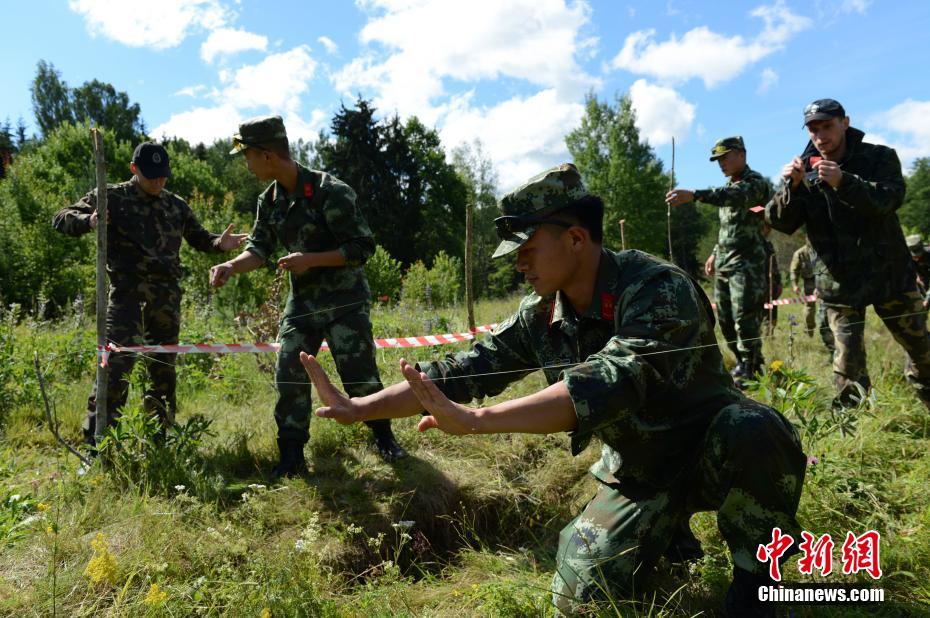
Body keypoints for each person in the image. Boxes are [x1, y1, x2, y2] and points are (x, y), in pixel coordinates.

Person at [301, 164, 806, 616]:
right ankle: (668, 535)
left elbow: (609, 382)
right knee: (580, 598)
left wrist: (478, 422)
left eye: (527, 250)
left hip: (711, 453)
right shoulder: (541, 311)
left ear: (577, 239)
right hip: (639, 471)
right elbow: (461, 370)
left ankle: (755, 579)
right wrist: (360, 408)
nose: (519, 264)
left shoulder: (657, 288)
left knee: (753, 428)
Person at [209, 115, 405, 477]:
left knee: (359, 373)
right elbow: (259, 249)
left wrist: (310, 260)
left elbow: (362, 246)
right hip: (302, 305)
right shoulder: (268, 200)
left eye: (247, 156)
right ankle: (292, 457)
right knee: (289, 373)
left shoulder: (331, 191)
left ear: (267, 155)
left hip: (345, 301)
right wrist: (232, 267)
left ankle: (384, 438)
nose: (246, 164)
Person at [52, 142, 247, 446]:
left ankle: (158, 441)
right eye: (151, 176)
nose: (159, 181)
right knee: (114, 370)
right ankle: (98, 445)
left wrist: (220, 245)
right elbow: (61, 218)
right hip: (127, 300)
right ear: (134, 170)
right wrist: (89, 221)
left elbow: (200, 238)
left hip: (166, 301)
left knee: (163, 372)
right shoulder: (111, 196)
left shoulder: (176, 205)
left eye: (163, 176)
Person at [767, 98, 930, 409]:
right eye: (813, 129)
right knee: (846, 370)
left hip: (890, 277)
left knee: (922, 350)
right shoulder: (804, 173)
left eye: (827, 126)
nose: (820, 135)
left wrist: (845, 182)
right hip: (839, 287)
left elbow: (889, 199)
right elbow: (779, 222)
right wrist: (792, 187)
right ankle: (852, 440)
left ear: (845, 122)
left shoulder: (878, 158)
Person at [667, 136, 773, 386]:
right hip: (725, 262)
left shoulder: (754, 184)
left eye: (724, 157)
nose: (720, 164)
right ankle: (740, 362)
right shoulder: (728, 188)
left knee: (744, 317)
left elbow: (735, 197)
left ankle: (752, 366)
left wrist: (694, 195)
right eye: (717, 160)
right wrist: (715, 252)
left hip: (746, 263)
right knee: (724, 319)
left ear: (741, 155)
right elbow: (728, 227)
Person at [790, 241, 836, 355]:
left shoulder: (822, 249)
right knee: (809, 308)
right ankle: (809, 330)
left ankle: (830, 333)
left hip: (824, 282)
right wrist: (795, 285)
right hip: (809, 283)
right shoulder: (800, 253)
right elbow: (793, 270)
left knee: (825, 308)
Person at [905, 234, 930, 309]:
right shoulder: (906, 256)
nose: (917, 257)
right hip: (922, 279)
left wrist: (927, 299)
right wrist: (917, 276)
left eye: (918, 254)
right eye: (914, 255)